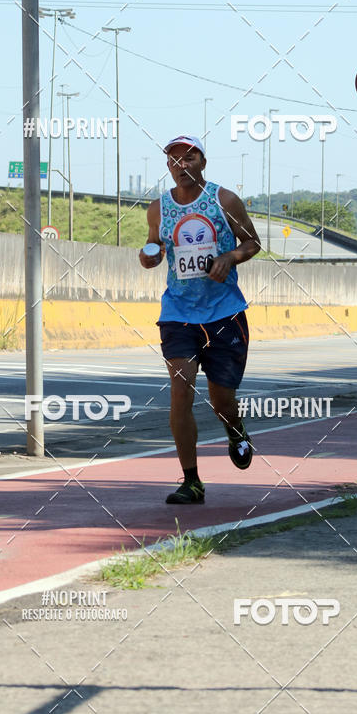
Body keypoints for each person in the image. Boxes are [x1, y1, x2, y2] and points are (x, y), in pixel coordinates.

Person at [139, 134, 261, 504]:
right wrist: (150, 255)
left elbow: (252, 242)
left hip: (224, 312)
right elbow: (155, 245)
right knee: (181, 392)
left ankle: (235, 429)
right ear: (168, 168)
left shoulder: (224, 200)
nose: (181, 165)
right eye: (174, 160)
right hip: (178, 313)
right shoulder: (158, 208)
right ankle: (191, 481)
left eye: (188, 158)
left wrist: (229, 259)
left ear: (202, 163)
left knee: (221, 399)